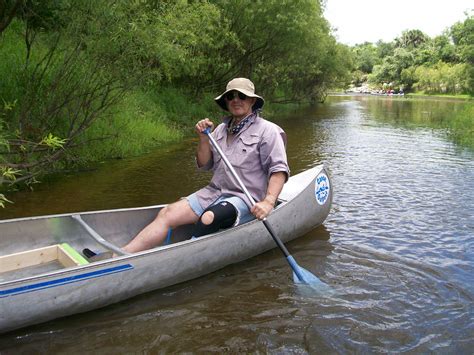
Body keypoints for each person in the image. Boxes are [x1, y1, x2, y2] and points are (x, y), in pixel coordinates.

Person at [122, 78, 290, 253]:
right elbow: (204, 164)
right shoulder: (218, 131)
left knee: (208, 217)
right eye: (230, 96)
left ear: (252, 101)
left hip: (247, 198)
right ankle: (122, 254)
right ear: (226, 101)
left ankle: (179, 260)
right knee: (167, 212)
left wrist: (268, 202)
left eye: (242, 95)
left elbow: (278, 170)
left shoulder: (269, 131)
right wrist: (203, 138)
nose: (236, 99)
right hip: (214, 192)